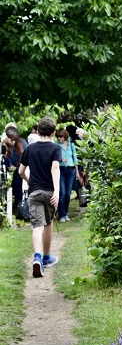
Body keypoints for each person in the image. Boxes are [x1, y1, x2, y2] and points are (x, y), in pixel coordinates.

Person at [18, 116, 61, 278]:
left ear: (37, 131)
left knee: (37, 226)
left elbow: (21, 171)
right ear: (53, 133)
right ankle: (46, 257)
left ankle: (37, 258)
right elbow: (55, 169)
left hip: (34, 193)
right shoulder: (55, 148)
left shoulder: (30, 148)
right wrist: (57, 192)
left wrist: (29, 182)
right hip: (50, 193)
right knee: (48, 223)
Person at [56, 128, 80, 222]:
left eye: (61, 136)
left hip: (70, 170)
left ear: (65, 136)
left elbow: (75, 159)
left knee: (68, 193)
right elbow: (55, 157)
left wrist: (77, 172)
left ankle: (65, 212)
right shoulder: (56, 146)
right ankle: (62, 214)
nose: (59, 138)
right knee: (62, 192)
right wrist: (61, 159)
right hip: (61, 169)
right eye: (58, 136)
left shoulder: (71, 145)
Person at [5, 125, 28, 211]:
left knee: (18, 189)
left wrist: (20, 162)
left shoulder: (18, 141)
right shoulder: (22, 140)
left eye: (9, 136)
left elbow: (21, 152)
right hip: (21, 168)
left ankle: (19, 208)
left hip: (19, 169)